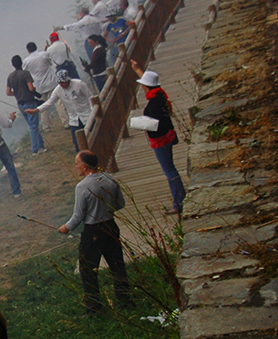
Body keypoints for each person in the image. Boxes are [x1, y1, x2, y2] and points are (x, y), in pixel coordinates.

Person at [58, 151, 131, 314]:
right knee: (117, 265)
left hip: (93, 232)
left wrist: (66, 227)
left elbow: (78, 215)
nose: (76, 166)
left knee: (88, 270)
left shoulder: (82, 186)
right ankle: (125, 301)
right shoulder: (110, 179)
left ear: (84, 167)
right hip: (110, 226)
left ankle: (94, 307)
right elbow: (120, 204)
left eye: (77, 163)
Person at [132, 62, 186, 214]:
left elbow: (155, 123)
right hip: (168, 135)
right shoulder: (160, 95)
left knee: (169, 171)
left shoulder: (154, 103)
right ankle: (181, 197)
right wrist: (137, 69)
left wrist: (141, 123)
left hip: (160, 140)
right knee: (171, 168)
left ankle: (179, 202)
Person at [26, 70, 94, 152]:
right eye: (59, 83)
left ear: (67, 80)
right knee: (77, 143)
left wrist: (93, 112)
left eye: (63, 82)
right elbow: (50, 102)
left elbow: (90, 97)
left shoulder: (79, 84)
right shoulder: (58, 90)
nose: (61, 85)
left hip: (87, 115)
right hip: (74, 119)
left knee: (95, 134)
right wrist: (36, 110)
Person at [6, 55, 45, 154]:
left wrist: (17, 92)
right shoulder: (26, 74)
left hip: (20, 104)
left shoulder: (10, 76)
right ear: (21, 63)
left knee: (33, 125)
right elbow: (31, 88)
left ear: (12, 65)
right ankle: (35, 149)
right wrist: (32, 90)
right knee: (33, 126)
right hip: (29, 102)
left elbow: (8, 92)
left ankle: (41, 146)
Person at [23, 42, 58, 131]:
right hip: (50, 82)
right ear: (36, 47)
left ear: (28, 50)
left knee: (42, 106)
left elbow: (25, 72)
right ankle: (66, 121)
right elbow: (50, 63)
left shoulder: (26, 61)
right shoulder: (44, 55)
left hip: (38, 86)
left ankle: (46, 126)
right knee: (58, 102)